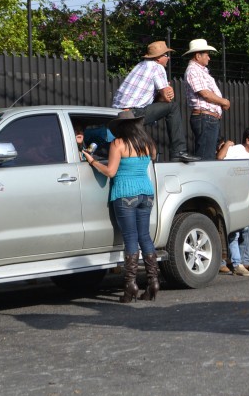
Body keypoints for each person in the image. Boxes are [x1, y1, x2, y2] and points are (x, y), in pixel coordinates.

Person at [82, 110, 160, 302]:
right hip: (146, 194)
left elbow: (110, 171)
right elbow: (151, 159)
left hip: (125, 194)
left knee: (131, 238)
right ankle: (153, 281)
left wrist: (92, 161)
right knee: (145, 236)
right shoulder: (147, 143)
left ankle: (130, 285)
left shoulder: (118, 143)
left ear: (121, 127)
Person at [112, 40, 197, 163]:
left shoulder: (140, 65)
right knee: (173, 107)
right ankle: (179, 151)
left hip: (117, 113)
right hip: (133, 113)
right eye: (166, 55)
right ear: (158, 58)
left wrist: (161, 93)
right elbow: (167, 99)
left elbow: (156, 98)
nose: (168, 58)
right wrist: (168, 91)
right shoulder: (157, 67)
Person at [217, 127, 249, 276]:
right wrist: (225, 146)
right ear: (247, 140)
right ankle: (233, 263)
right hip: (235, 194)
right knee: (235, 231)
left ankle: (242, 261)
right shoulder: (236, 150)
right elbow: (220, 159)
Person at [183, 38, 231, 160]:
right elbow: (205, 93)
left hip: (208, 118)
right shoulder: (193, 70)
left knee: (209, 155)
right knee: (205, 157)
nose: (209, 58)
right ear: (198, 56)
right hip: (205, 117)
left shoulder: (201, 71)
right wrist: (223, 101)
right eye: (207, 55)